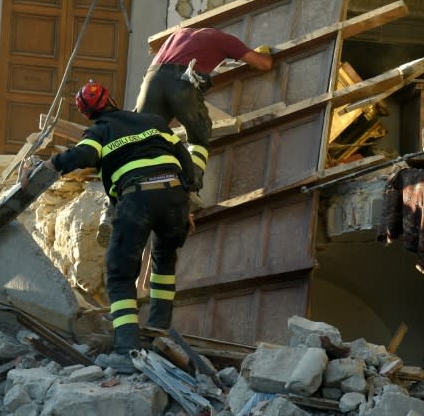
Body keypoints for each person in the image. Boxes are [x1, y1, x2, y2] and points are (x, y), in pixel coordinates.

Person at [20, 80, 196, 374]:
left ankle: (127, 350)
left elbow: (84, 156)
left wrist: (48, 164)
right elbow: (184, 158)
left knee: (119, 274)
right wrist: (185, 203)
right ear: (112, 99)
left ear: (87, 114)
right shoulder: (153, 122)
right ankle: (159, 332)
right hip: (174, 195)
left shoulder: (100, 131)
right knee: (164, 263)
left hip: (137, 198)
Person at [94, 27, 273, 246]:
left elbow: (187, 58)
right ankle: (187, 193)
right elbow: (264, 64)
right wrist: (262, 54)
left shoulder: (178, 36)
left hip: (152, 80)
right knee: (199, 135)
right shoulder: (225, 39)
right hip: (181, 82)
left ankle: (110, 213)